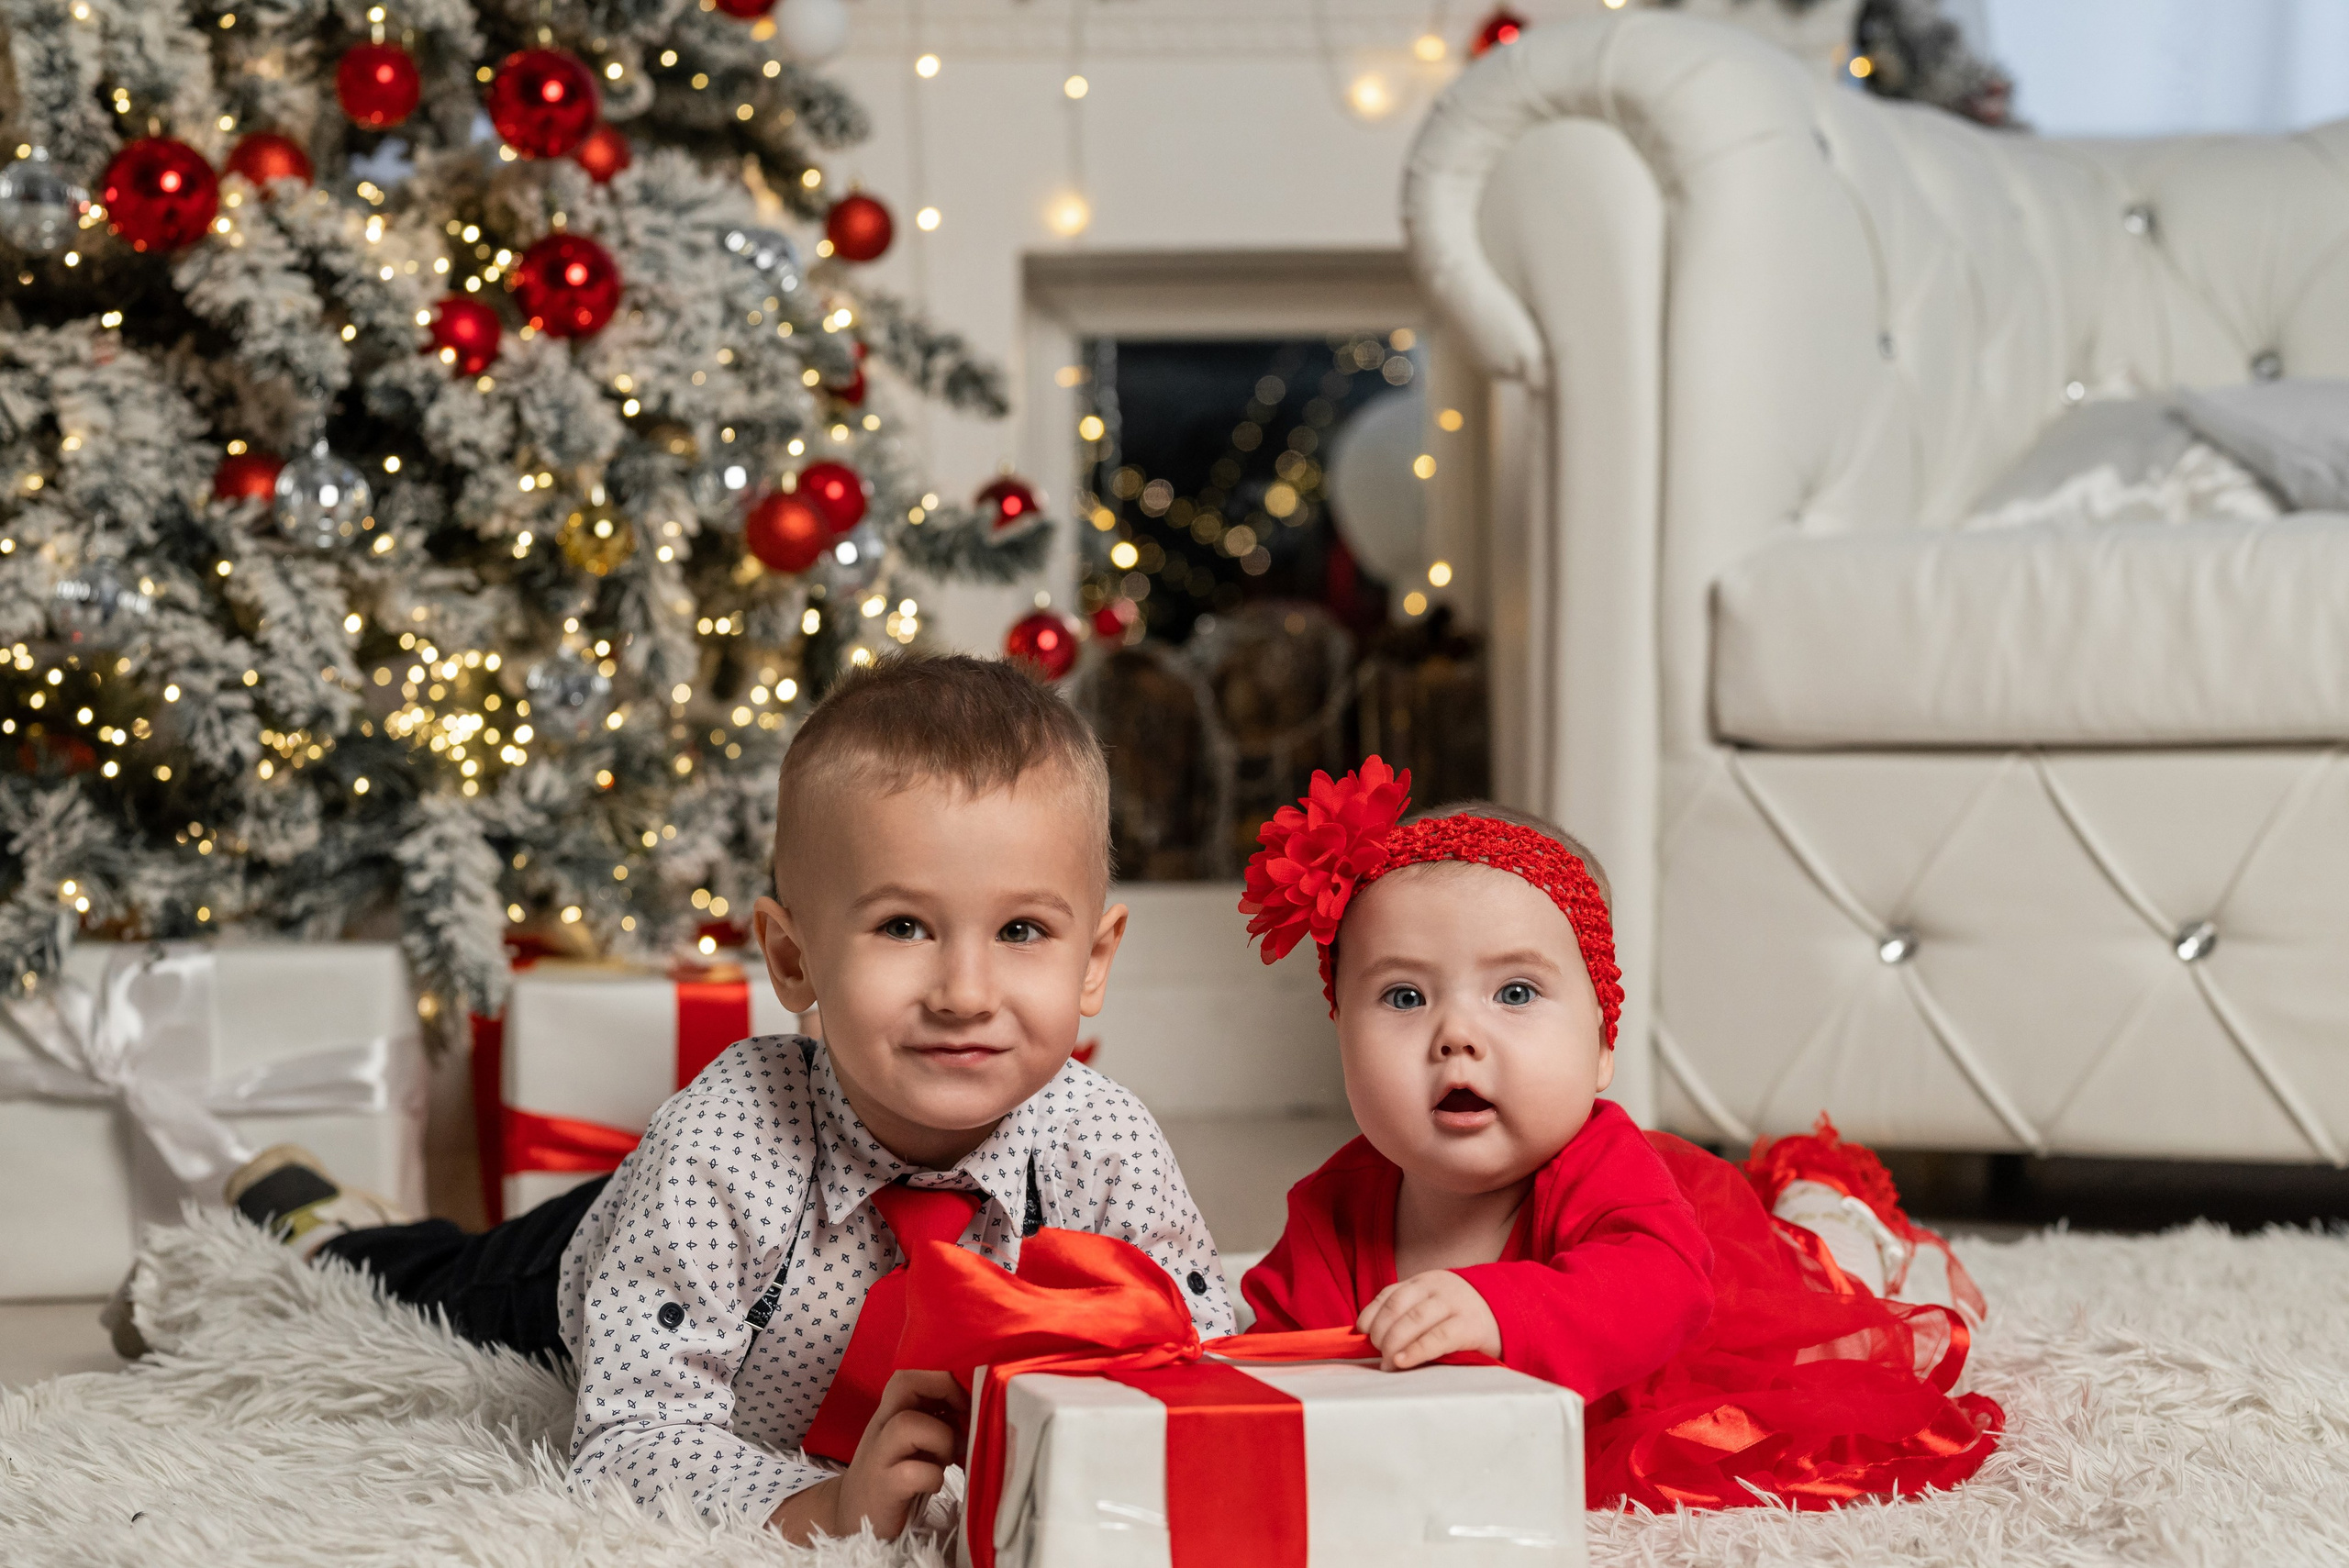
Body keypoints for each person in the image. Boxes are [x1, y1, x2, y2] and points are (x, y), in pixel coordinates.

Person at [194, 654, 1232, 1541]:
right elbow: (631, 1438)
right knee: (434, 1286)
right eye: (903, 926)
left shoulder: (1103, 1143)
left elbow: (1208, 1353)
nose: (964, 992)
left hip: (716, 1253)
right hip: (595, 1260)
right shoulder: (725, 1141)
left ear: (1094, 961)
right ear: (791, 957)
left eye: (1021, 932)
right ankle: (331, 1225)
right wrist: (826, 1505)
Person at [1237, 760, 2002, 1512]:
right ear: (1341, 1036)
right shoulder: (1333, 1208)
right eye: (1405, 995)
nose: (1456, 1034)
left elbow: (1663, 1286)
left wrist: (1500, 1310)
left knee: (1830, 1291)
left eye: (1515, 991)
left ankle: (1836, 1212)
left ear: (1603, 1046)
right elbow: (1272, 1351)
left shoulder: (1598, 1165)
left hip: (1701, 1317)